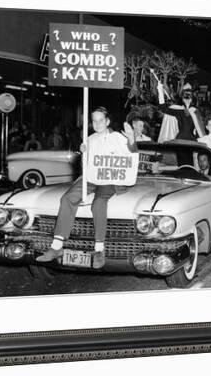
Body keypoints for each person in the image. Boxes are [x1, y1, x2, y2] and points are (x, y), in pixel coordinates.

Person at [36, 107, 137, 269]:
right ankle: (56, 246)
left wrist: (132, 139)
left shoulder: (117, 137)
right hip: (91, 178)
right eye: (94, 121)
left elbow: (132, 153)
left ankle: (99, 250)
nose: (97, 124)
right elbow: (86, 165)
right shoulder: (89, 139)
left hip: (110, 179)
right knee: (67, 198)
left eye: (101, 120)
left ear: (107, 121)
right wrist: (84, 153)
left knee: (98, 203)